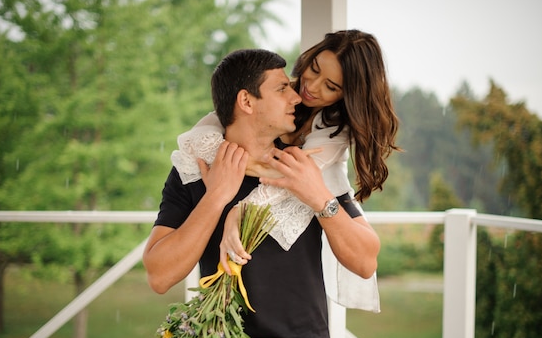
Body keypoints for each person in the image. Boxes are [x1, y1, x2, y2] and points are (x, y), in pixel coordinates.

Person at [143, 48, 380, 338]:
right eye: (282, 89)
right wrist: (217, 196)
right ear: (246, 101)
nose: (298, 96)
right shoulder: (195, 168)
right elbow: (159, 275)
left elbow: (366, 261)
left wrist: (319, 197)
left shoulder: (307, 163)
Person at [170, 29, 399, 312]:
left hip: (301, 332)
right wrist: (226, 173)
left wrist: (238, 210)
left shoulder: (334, 133)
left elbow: (296, 175)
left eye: (331, 87)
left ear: (347, 95)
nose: (310, 88)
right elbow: (212, 125)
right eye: (313, 69)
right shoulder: (270, 100)